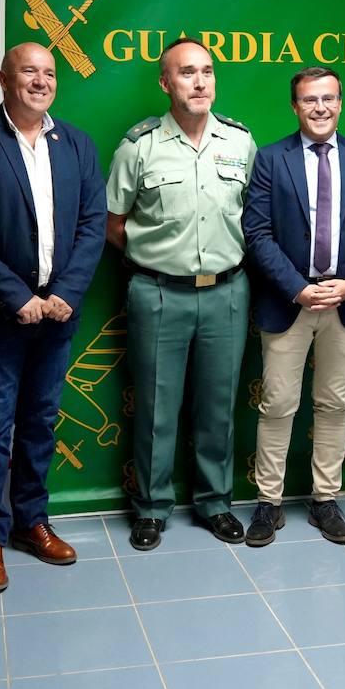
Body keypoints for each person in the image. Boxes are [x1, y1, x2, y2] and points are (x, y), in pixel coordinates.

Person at [0, 43, 106, 594]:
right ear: (4, 79)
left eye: (49, 72)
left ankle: (30, 521)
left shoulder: (77, 143)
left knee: (41, 421)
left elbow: (91, 224)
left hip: (57, 313)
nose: (40, 80)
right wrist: (16, 296)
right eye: (29, 71)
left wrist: (65, 292)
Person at [106, 38, 256, 551]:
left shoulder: (240, 143)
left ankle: (216, 503)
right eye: (187, 72)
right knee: (156, 406)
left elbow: (252, 219)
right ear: (165, 83)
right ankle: (151, 508)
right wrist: (158, 262)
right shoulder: (139, 146)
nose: (199, 82)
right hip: (159, 293)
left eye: (207, 72)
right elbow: (115, 223)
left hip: (226, 292)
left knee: (218, 405)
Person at [241, 67, 345, 546]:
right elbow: (257, 233)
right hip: (290, 301)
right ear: (295, 106)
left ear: (341, 103)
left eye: (328, 98)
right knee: (279, 404)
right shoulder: (269, 159)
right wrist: (298, 288)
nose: (320, 108)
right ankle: (269, 503)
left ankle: (326, 500)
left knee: (333, 403)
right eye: (309, 100)